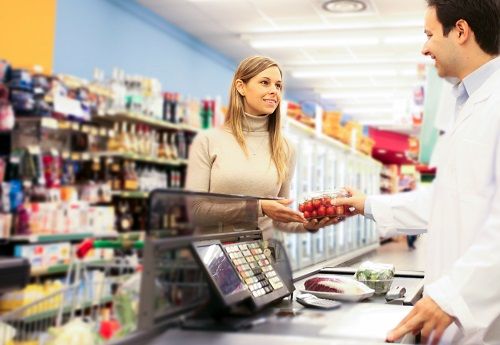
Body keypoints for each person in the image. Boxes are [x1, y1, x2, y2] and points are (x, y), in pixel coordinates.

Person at [334, 0, 500, 343]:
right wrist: (366, 204)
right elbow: (449, 201)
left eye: (429, 34)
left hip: (482, 320)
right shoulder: (468, 101)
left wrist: (454, 296)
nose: (425, 48)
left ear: (461, 31)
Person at [186, 56, 337, 239]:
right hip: (214, 258)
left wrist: (311, 223)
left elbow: (278, 219)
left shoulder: (286, 147)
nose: (274, 91)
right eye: (265, 83)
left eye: (278, 86)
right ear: (241, 87)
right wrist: (259, 207)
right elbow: (194, 210)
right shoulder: (208, 140)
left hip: (261, 260)